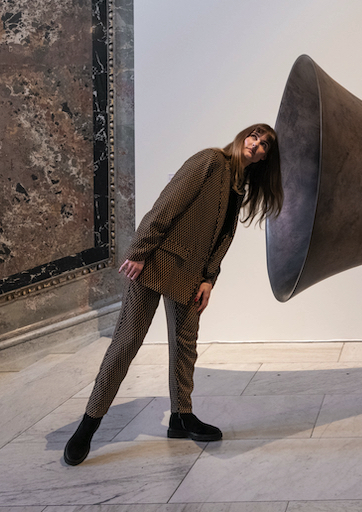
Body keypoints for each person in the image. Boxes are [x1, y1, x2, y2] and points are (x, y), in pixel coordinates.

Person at [63, 124, 282, 466]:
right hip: (156, 262)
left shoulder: (239, 186)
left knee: (186, 346)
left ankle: (181, 416)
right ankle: (88, 426)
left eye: (265, 144)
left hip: (192, 276)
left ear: (267, 156)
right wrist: (139, 250)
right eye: (254, 136)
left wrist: (209, 279)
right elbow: (168, 202)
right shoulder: (211, 160)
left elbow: (221, 238)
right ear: (243, 137)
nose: (256, 145)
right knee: (127, 342)